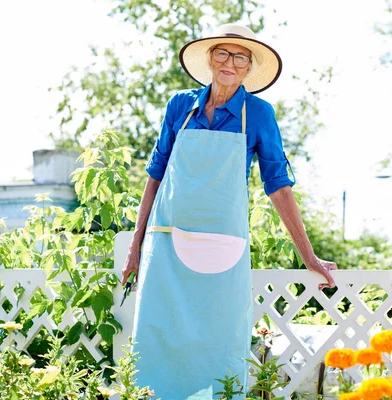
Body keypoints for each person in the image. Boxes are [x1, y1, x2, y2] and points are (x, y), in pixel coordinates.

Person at [121, 23, 338, 399]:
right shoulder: (179, 106)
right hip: (166, 247)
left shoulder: (258, 114)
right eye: (222, 52)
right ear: (209, 59)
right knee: (156, 338)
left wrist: (309, 256)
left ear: (249, 68)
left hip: (223, 249)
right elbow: (155, 176)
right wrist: (134, 247)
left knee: (220, 344)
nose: (230, 62)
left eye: (240, 57)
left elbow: (278, 185)